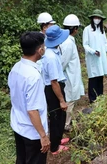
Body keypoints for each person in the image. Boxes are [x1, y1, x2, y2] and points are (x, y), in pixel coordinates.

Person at [8, 31, 50, 164]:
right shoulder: (33, 76)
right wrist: (43, 136)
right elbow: (32, 110)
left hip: (18, 126)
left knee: (21, 160)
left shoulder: (16, 68)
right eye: (43, 46)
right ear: (40, 50)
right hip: (32, 132)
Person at [41, 25, 70, 155]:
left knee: (60, 116)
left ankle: (57, 140)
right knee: (56, 117)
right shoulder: (51, 57)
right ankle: (54, 147)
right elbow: (53, 81)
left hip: (56, 86)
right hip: (53, 89)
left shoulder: (53, 52)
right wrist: (61, 100)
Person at [83, 9, 107, 103]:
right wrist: (93, 51)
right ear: (92, 18)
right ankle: (92, 98)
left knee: (100, 76)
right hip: (92, 57)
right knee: (93, 77)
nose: (97, 19)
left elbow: (104, 44)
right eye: (95, 17)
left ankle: (100, 96)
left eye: (99, 18)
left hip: (101, 57)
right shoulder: (87, 29)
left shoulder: (101, 30)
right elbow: (85, 45)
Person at [60, 14, 85, 131]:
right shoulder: (68, 43)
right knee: (69, 100)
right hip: (68, 77)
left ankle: (66, 122)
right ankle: (65, 124)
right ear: (75, 29)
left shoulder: (67, 40)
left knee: (70, 99)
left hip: (71, 75)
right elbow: (62, 63)